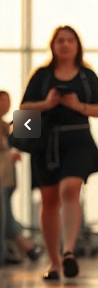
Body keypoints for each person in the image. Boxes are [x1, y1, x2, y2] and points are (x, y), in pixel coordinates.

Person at [19, 25, 98, 281]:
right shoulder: (42, 75)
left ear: (77, 45)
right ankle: (54, 262)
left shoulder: (86, 76)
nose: (65, 45)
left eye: (70, 40)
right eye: (61, 41)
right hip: (46, 143)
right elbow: (24, 107)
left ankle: (69, 250)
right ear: (53, 45)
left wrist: (78, 105)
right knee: (49, 200)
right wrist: (46, 104)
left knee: (70, 188)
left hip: (78, 139)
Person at [0, 90, 44, 264]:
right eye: (2, 100)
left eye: (8, 101)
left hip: (7, 180)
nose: (6, 104)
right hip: (3, 178)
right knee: (4, 218)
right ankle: (26, 250)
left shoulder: (5, 125)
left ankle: (25, 250)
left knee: (6, 217)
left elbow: (30, 130)